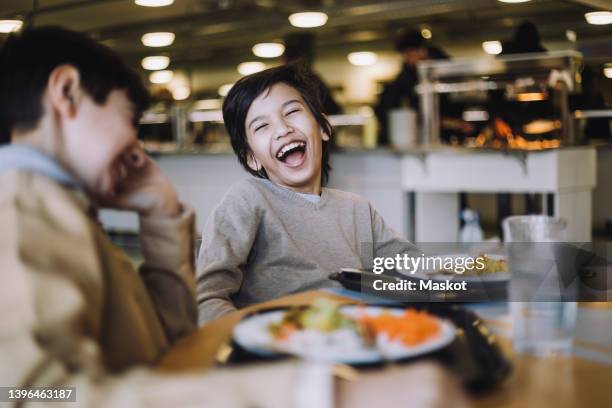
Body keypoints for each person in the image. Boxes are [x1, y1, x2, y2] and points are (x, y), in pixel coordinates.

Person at [0, 26, 470, 407]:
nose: (136, 145)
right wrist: (327, 393)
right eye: (130, 117)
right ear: (65, 93)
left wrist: (162, 220)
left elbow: (166, 354)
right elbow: (31, 396)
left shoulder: (62, 216)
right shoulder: (17, 217)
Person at [196, 64, 420, 323]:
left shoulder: (358, 209)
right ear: (252, 158)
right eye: (262, 126)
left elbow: (412, 269)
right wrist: (250, 339)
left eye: (291, 112)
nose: (282, 129)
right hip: (284, 349)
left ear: (324, 128)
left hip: (359, 337)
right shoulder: (247, 199)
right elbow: (207, 297)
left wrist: (461, 273)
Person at [374, 28, 471, 146]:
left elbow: (459, 99)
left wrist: (451, 122)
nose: (407, 58)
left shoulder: (444, 71)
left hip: (451, 135)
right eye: (405, 54)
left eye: (409, 53)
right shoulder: (406, 76)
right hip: (424, 135)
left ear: (422, 51)